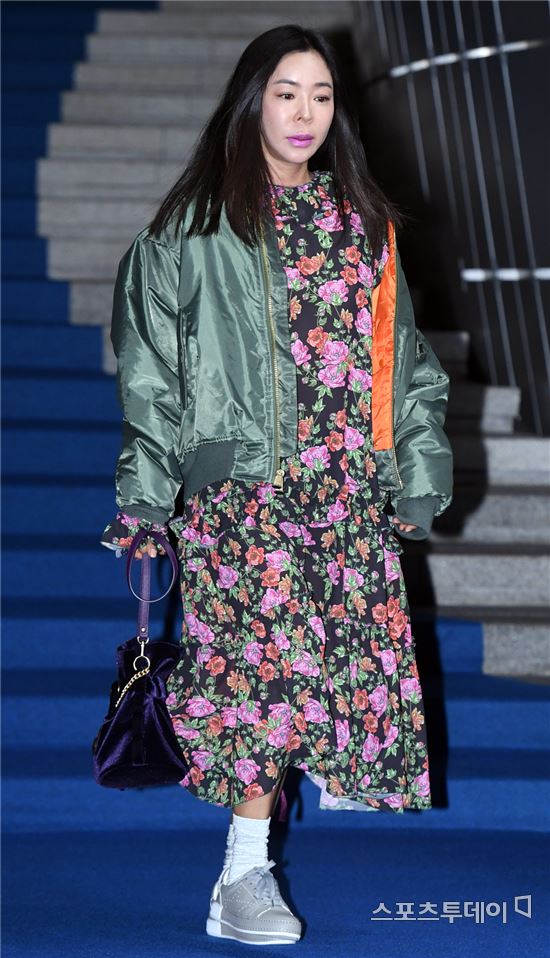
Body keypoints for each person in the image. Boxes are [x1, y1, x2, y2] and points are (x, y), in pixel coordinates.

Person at [100, 24, 453, 946]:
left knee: (326, 675)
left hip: (344, 495)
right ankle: (242, 875)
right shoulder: (192, 228)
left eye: (322, 96)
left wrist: (417, 469)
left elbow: (403, 362)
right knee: (264, 676)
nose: (305, 113)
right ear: (251, 100)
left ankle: (260, 847)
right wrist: (146, 495)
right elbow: (152, 373)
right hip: (244, 497)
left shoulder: (362, 224)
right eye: (287, 93)